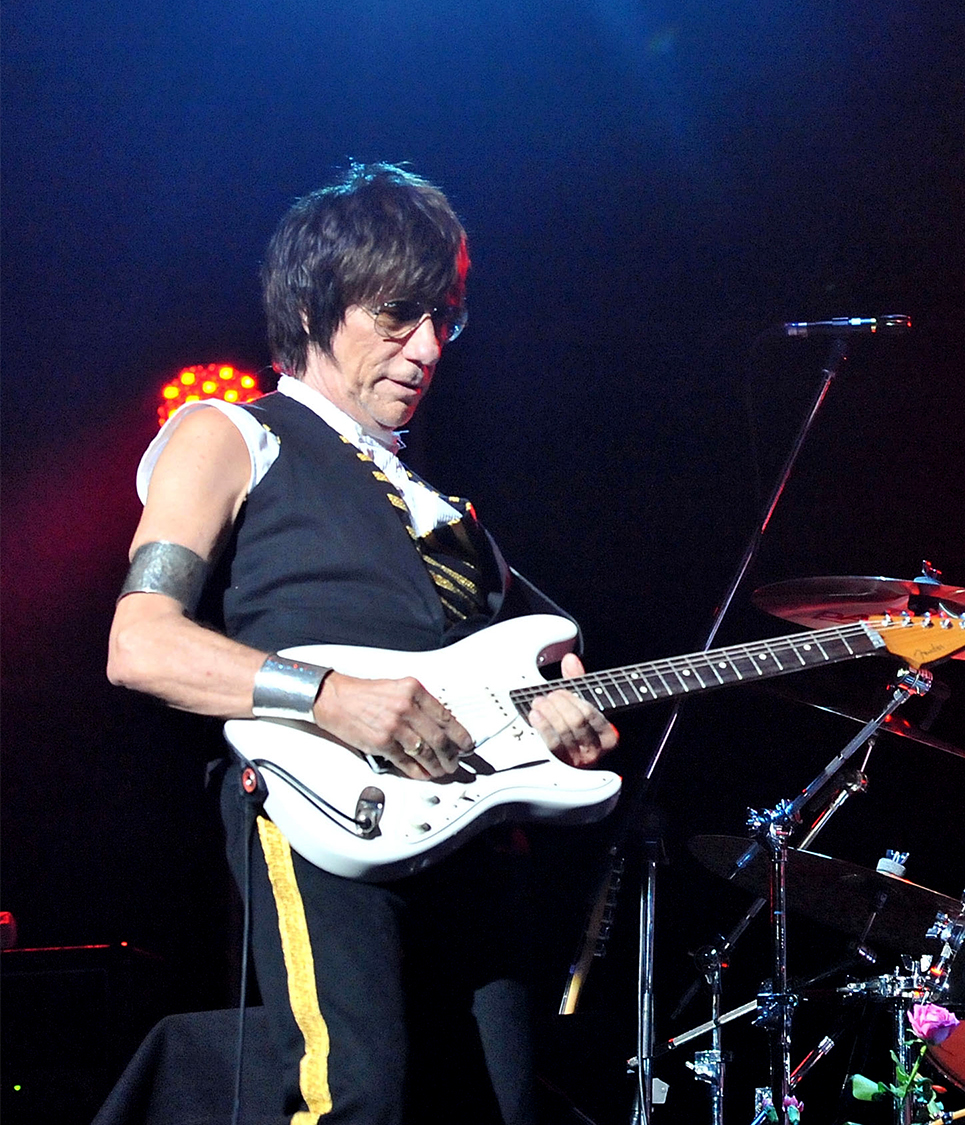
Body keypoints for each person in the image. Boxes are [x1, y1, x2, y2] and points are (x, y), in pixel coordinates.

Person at [106, 163, 618, 1124]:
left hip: (468, 821)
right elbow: (140, 643)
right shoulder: (231, 433)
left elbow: (541, 665)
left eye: (444, 321)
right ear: (315, 303)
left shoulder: (457, 518)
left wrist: (557, 709)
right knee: (359, 1094)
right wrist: (332, 695)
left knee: (498, 1106)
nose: (426, 348)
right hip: (323, 806)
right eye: (397, 315)